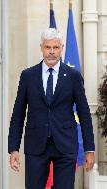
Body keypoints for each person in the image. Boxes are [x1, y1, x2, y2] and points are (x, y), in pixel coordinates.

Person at [8, 28, 95, 189]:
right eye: (48, 47)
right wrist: (13, 148)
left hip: (65, 143)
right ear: (41, 47)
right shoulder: (28, 76)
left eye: (56, 47)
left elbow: (84, 113)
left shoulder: (73, 76)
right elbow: (18, 114)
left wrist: (89, 148)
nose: (52, 52)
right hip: (36, 144)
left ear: (62, 48)